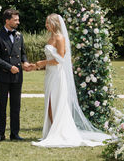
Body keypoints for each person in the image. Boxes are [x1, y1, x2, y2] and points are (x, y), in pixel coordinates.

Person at [31, 13, 111, 148]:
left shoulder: (60, 38)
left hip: (58, 74)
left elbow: (60, 59)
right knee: (50, 102)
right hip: (50, 74)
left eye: (47, 23)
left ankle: (60, 132)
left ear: (54, 24)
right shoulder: (50, 37)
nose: (46, 25)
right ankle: (52, 131)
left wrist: (42, 63)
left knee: (57, 102)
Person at [0, 9, 34, 142]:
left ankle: (15, 134)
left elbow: (23, 53)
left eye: (18, 19)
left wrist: (25, 62)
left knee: (16, 106)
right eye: (15, 20)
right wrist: (10, 68)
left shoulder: (19, 36)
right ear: (7, 20)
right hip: (2, 77)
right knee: (2, 106)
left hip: (17, 77)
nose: (18, 22)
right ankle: (1, 134)